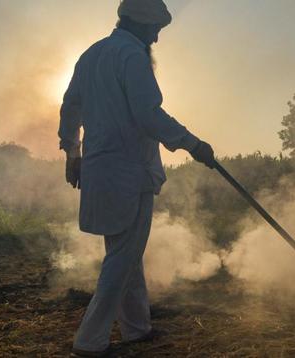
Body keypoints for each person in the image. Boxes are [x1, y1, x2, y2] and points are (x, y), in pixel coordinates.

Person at [58, 0, 215, 356]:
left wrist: (72, 151)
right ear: (140, 24)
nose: (156, 38)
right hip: (127, 171)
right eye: (155, 30)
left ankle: (136, 328)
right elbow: (148, 115)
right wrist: (192, 143)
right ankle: (90, 341)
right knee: (122, 257)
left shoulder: (92, 55)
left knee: (126, 253)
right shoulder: (131, 56)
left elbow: (70, 106)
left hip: (102, 170)